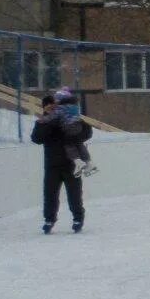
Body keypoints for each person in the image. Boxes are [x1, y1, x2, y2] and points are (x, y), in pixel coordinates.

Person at [30, 90, 93, 234]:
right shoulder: (45, 121)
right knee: (50, 193)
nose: (52, 108)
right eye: (48, 106)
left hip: (71, 163)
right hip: (52, 164)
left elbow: (87, 132)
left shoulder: (69, 117)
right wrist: (48, 118)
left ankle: (78, 218)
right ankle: (49, 219)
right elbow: (36, 138)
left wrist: (74, 133)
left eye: (54, 105)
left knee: (74, 194)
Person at [50, 88, 96, 177]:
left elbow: (54, 117)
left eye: (56, 100)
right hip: (78, 126)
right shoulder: (74, 106)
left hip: (69, 127)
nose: (55, 102)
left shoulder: (62, 107)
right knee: (79, 143)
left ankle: (78, 161)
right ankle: (89, 163)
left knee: (68, 144)